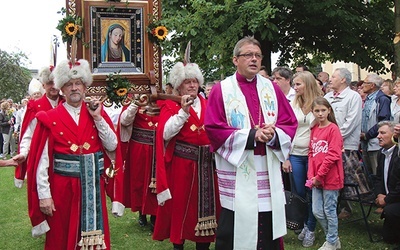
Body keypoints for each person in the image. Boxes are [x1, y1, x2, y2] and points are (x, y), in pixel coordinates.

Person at [204, 36, 298, 250]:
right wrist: (251, 136)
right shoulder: (222, 89)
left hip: (267, 168)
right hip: (239, 169)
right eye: (248, 55)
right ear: (235, 60)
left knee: (267, 218)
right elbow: (213, 128)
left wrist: (273, 134)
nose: (254, 59)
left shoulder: (271, 89)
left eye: (257, 56)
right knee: (236, 220)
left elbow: (289, 122)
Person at [26, 59, 124, 249]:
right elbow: (42, 161)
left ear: (85, 86)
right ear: (61, 88)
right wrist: (44, 195)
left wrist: (97, 118)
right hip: (63, 191)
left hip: (93, 190)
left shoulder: (96, 114)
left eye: (78, 83)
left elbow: (112, 145)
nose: (74, 88)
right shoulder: (50, 118)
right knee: (62, 238)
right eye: (69, 84)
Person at [153, 61, 219, 250]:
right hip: (182, 165)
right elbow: (165, 133)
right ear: (179, 85)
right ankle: (178, 244)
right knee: (180, 206)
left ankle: (203, 245)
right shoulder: (170, 105)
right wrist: (183, 112)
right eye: (187, 82)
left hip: (207, 166)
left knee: (205, 208)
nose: (192, 85)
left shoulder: (209, 103)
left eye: (195, 81)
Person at [282, 71, 323, 248]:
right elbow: (287, 130)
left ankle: (311, 229)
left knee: (312, 192)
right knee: (299, 192)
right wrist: (286, 157)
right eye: (294, 84)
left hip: (314, 155)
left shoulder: (320, 104)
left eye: (298, 84)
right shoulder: (293, 103)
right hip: (296, 154)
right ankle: (304, 223)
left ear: (307, 84)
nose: (295, 87)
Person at [13, 66, 64, 188]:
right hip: (41, 156)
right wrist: (24, 153)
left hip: (64, 157)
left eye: (56, 83)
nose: (53, 86)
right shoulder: (35, 107)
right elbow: (27, 135)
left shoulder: (66, 104)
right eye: (49, 83)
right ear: (43, 85)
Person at [324, 68, 363, 220]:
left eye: (334, 76)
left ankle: (347, 206)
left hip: (346, 145)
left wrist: (335, 138)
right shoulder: (328, 97)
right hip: (328, 143)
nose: (331, 79)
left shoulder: (353, 97)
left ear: (343, 80)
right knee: (331, 175)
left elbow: (351, 122)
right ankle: (333, 205)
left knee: (347, 176)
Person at [308, 96, 343, 250]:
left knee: (329, 210)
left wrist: (320, 175)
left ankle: (331, 241)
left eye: (323, 110)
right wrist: (311, 175)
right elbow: (311, 153)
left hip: (330, 177)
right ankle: (333, 238)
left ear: (329, 110)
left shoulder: (333, 129)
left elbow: (333, 154)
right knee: (317, 211)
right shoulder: (314, 129)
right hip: (316, 178)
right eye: (317, 111)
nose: (320, 114)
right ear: (313, 112)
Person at [118, 102, 158, 230]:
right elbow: (124, 121)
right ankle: (142, 212)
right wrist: (135, 104)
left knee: (155, 181)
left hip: (157, 148)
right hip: (139, 147)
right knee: (139, 180)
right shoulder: (134, 104)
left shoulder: (163, 103)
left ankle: (155, 215)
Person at [373, 121, 400, 245]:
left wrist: (387, 199)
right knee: (388, 238)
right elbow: (378, 178)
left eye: (383, 133)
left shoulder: (398, 154)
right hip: (389, 198)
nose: (378, 136)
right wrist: (379, 195)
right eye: (378, 133)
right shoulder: (381, 153)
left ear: (394, 135)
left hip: (395, 199)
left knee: (390, 211)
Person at [360, 73, 391, 176]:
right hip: (366, 143)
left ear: (372, 85)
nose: (362, 85)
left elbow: (383, 121)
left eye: (365, 83)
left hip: (375, 143)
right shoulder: (368, 99)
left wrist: (367, 134)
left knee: (377, 173)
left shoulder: (382, 99)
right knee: (369, 175)